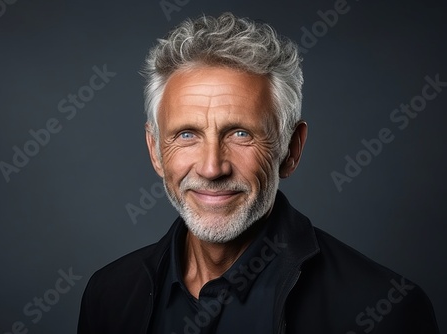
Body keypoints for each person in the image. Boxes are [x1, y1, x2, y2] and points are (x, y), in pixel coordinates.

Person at [78, 12, 439, 334]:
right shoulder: (109, 296)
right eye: (186, 135)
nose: (211, 167)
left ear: (291, 149)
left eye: (240, 134)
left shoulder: (383, 312)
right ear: (155, 150)